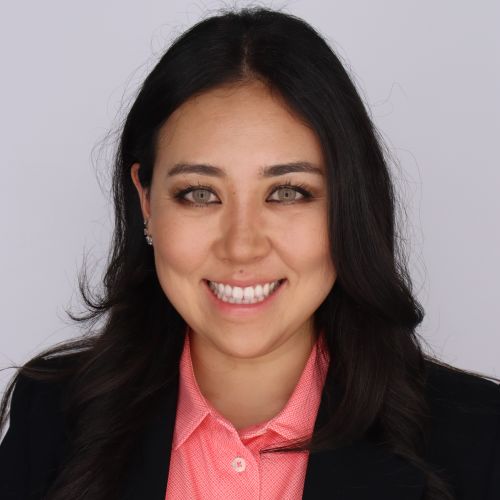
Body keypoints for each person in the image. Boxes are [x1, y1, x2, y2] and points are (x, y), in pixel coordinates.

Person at [0, 6, 499, 500]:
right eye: (199, 193)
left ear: (349, 203)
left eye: (287, 193)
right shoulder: (51, 418)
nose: (241, 246)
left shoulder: (480, 438)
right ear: (146, 202)